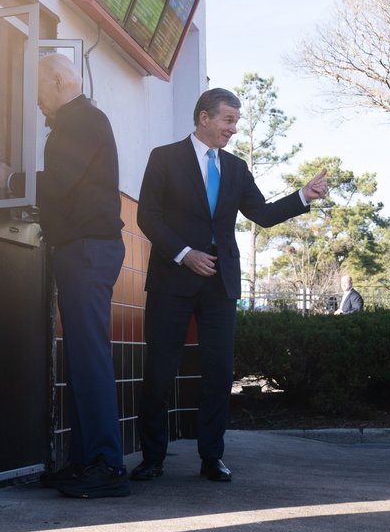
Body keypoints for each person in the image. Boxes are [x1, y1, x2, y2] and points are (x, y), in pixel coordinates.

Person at [132, 88, 328, 483]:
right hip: (172, 280)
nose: (233, 129)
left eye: (236, 122)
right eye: (228, 120)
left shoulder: (236, 168)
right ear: (204, 118)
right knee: (159, 370)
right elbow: (147, 217)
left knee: (220, 372)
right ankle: (152, 458)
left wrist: (303, 196)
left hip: (220, 285)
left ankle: (212, 457)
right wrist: (185, 253)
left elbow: (263, 214)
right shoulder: (164, 158)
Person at [0, 54, 129, 499]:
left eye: (37, 91)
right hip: (84, 250)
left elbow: (59, 182)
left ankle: (107, 466)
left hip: (87, 252)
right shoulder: (82, 120)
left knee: (89, 358)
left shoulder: (82, 120)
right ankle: (84, 461)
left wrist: (9, 179)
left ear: (57, 80)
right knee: (81, 357)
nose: (35, 102)